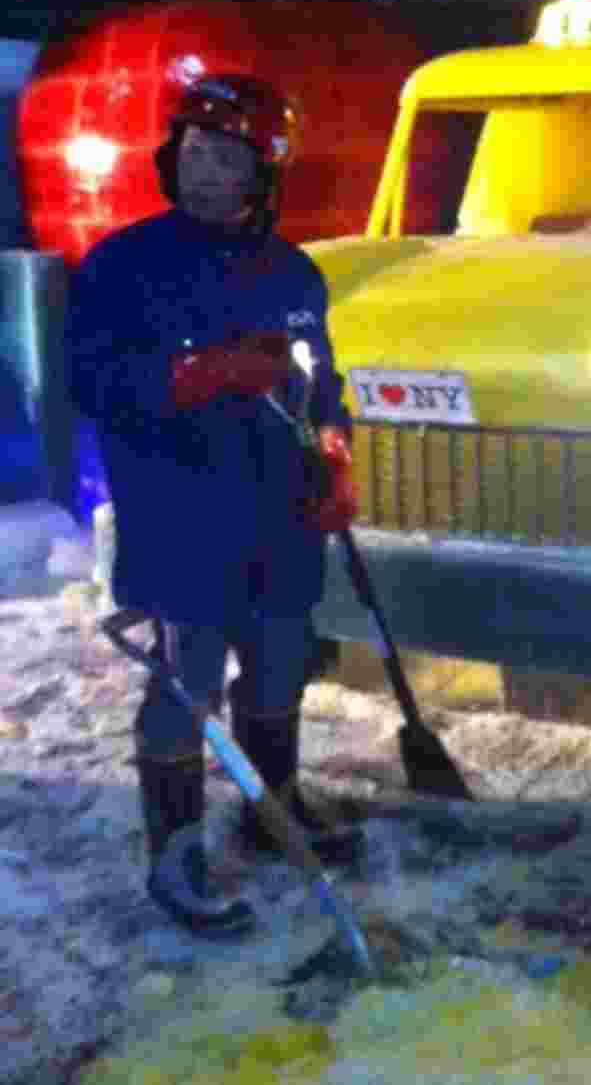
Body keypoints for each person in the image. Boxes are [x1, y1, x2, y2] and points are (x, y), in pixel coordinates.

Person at [65, 73, 361, 938]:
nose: (205, 170)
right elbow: (91, 382)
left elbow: (320, 384)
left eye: (227, 156)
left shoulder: (295, 273)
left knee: (278, 667)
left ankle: (274, 810)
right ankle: (177, 846)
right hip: (180, 517)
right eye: (192, 151)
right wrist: (192, 376)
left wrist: (335, 451)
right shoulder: (125, 266)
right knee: (186, 686)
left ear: (263, 171)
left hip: (279, 519)